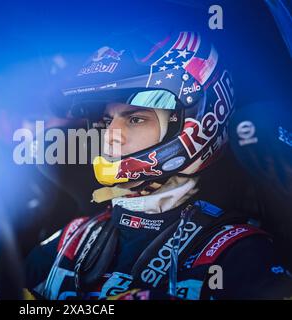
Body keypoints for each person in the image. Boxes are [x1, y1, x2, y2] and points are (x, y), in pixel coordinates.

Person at [24, 31, 292, 300]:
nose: (111, 136)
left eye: (135, 119)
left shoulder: (236, 253)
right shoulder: (73, 240)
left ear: (192, 122)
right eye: (107, 121)